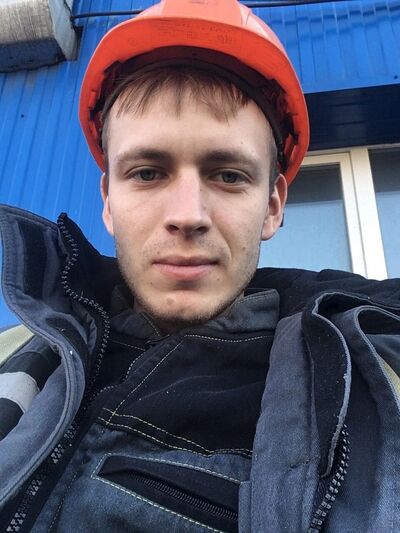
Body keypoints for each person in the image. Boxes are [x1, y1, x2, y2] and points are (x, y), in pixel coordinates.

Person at [0, 0, 399, 531]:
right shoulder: (14, 352)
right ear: (108, 201)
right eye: (147, 173)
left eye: (229, 175)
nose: (188, 215)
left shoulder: (366, 381)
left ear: (272, 206)